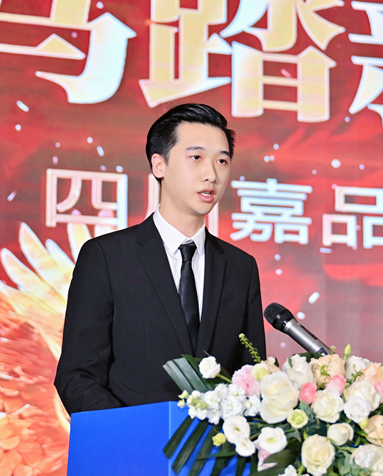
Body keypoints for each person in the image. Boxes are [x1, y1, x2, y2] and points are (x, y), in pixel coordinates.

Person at [55, 103, 267, 413]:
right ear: (159, 165)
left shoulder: (240, 267)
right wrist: (131, 432)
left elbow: (251, 376)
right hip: (130, 441)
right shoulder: (107, 257)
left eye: (222, 161)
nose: (211, 174)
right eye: (196, 158)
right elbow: (77, 376)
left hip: (216, 443)